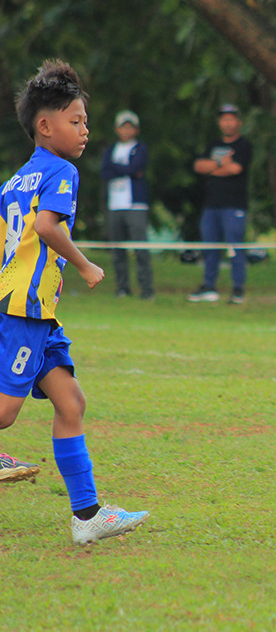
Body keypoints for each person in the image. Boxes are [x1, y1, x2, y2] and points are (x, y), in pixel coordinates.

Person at [0, 59, 150, 543]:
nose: (85, 130)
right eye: (76, 120)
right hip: (23, 312)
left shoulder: (14, 181)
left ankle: (87, 518)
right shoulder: (60, 171)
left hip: (35, 313)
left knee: (71, 402)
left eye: (86, 121)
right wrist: (85, 265)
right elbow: (47, 228)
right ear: (45, 126)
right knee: (3, 414)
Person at [188, 103, 252, 304]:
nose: (228, 122)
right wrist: (218, 164)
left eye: (231, 118)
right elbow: (199, 166)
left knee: (235, 246)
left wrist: (214, 169)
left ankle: (238, 289)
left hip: (234, 205)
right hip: (211, 205)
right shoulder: (213, 145)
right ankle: (209, 286)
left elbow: (234, 169)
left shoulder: (243, 146)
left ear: (238, 122)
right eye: (224, 118)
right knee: (209, 246)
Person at [100, 109, 154, 300]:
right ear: (117, 129)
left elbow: (136, 168)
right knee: (118, 249)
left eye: (130, 127)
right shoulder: (110, 150)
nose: (127, 131)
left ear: (136, 130)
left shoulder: (140, 148)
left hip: (135, 205)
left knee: (140, 249)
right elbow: (105, 172)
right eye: (123, 127)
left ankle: (147, 290)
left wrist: (120, 169)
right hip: (115, 205)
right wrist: (126, 170)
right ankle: (122, 288)